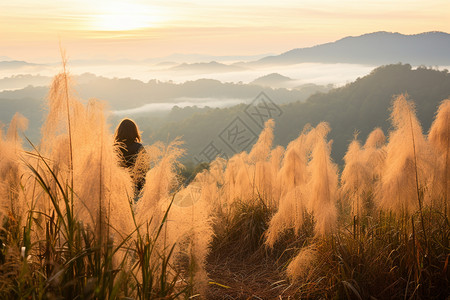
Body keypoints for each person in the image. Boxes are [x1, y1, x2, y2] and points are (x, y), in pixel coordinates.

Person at [114, 118, 149, 201]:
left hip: (118, 190)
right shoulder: (139, 148)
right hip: (137, 189)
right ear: (134, 132)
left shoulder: (114, 149)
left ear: (119, 131)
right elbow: (146, 168)